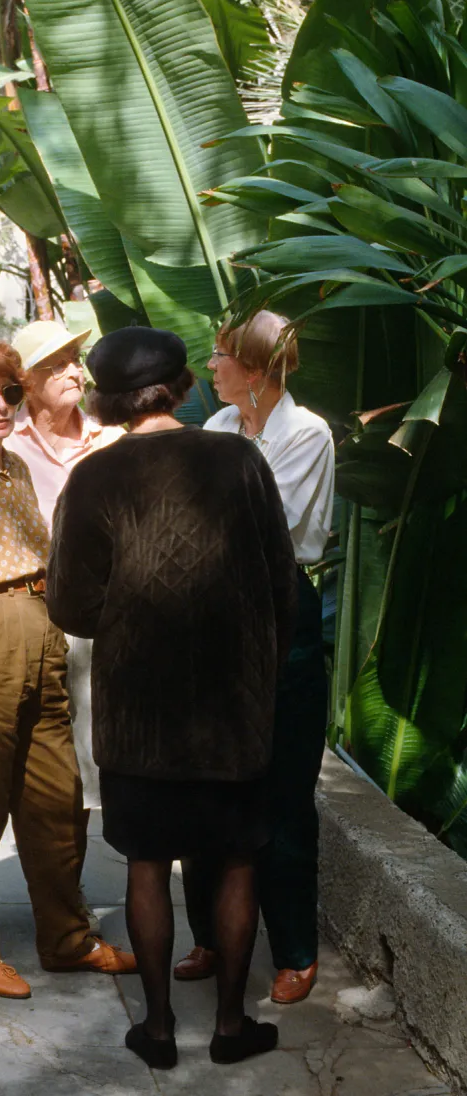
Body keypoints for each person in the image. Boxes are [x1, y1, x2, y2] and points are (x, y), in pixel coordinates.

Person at [47, 327, 297, 1069]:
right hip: (231, 708)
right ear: (183, 386)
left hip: (138, 714)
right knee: (238, 860)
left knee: (146, 863)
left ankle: (156, 1030)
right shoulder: (238, 459)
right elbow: (281, 581)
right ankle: (229, 1025)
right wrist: (259, 665)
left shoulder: (92, 478)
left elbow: (70, 607)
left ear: (107, 400)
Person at [0, 338, 136, 1000]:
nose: (2, 406)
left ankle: (66, 937)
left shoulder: (8, 468)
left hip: (39, 635)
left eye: (10, 392)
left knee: (57, 800)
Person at [175, 312, 335, 1005]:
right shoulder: (215, 431)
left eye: (219, 358)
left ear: (257, 368)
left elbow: (264, 526)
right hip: (213, 612)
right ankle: (210, 935)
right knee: (206, 783)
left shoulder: (306, 433)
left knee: (285, 793)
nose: (210, 369)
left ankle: (295, 949)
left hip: (280, 613)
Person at [5, 320, 124, 808]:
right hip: (30, 610)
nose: (74, 372)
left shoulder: (112, 441)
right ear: (27, 381)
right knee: (39, 747)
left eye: (76, 360)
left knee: (100, 741)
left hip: (100, 609)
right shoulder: (8, 446)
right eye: (57, 365)